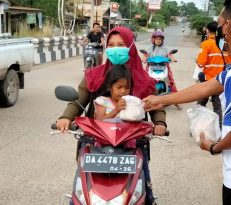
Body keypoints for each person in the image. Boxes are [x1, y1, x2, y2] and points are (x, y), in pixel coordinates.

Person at [143, 0, 231, 204]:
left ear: (229, 26)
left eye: (220, 24)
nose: (218, 29)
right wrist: (162, 99)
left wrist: (214, 147)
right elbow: (206, 86)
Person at [56, 26, 166, 205]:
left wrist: (160, 122)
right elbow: (78, 101)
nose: (116, 49)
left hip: (133, 142)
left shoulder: (143, 79)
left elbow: (156, 106)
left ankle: (149, 198)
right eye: (112, 45)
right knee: (81, 189)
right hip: (95, 140)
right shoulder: (94, 75)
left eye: (121, 44)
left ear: (130, 46)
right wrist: (66, 117)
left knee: (145, 186)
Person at [196, 21, 231, 126]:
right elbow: (229, 62)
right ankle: (219, 127)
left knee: (201, 103)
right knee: (218, 106)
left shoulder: (206, 44)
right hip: (220, 81)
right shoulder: (225, 44)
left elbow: (200, 63)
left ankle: (198, 125)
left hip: (208, 80)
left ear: (207, 30)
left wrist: (197, 60)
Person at [143, 30, 181, 109]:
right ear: (153, 40)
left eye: (160, 39)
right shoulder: (149, 49)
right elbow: (145, 56)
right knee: (145, 82)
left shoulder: (165, 49)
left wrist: (173, 59)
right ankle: (143, 98)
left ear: (162, 40)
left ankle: (176, 101)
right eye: (157, 39)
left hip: (163, 66)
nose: (158, 41)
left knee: (171, 82)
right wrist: (144, 59)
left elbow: (170, 55)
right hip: (151, 67)